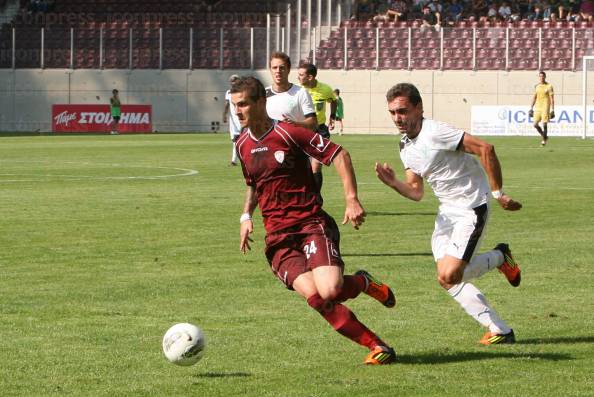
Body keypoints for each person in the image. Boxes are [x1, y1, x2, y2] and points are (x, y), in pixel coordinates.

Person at [232, 76, 396, 365]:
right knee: (318, 299)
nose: (238, 111)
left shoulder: (288, 133)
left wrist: (351, 199)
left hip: (310, 224)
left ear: (260, 102)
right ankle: (377, 346)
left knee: (331, 289)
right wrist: (246, 216)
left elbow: (339, 154)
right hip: (277, 238)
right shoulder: (243, 144)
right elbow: (254, 184)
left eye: (243, 104)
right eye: (234, 105)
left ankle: (362, 282)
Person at [375, 82, 523, 346]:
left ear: (419, 108)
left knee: (449, 275)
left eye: (403, 111)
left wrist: (499, 194)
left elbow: (485, 149)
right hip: (447, 214)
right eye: (393, 113)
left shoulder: (436, 132)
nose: (398, 118)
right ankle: (499, 329)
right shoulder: (405, 146)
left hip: (471, 208)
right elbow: (415, 191)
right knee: (446, 279)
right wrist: (393, 183)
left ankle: (500, 257)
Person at [297, 62, 338, 192]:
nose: (298, 77)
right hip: (301, 131)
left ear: (310, 77)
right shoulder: (297, 91)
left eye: (301, 75)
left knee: (316, 165)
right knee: (301, 167)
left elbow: (334, 100)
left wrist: (332, 116)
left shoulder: (325, 89)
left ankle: (316, 198)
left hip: (319, 130)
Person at [265, 51, 317, 131]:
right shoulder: (263, 94)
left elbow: (313, 123)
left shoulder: (301, 92)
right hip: (269, 143)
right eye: (274, 68)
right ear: (270, 70)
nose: (278, 71)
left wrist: (295, 124)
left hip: (293, 142)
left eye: (282, 68)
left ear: (288, 70)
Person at [529, 71, 555, 147]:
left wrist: (552, 109)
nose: (541, 78)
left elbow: (552, 98)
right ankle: (544, 136)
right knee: (535, 124)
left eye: (542, 76)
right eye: (540, 76)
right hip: (537, 107)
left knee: (544, 123)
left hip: (545, 107)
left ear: (545, 77)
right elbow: (534, 97)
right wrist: (531, 108)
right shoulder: (536, 86)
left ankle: (544, 140)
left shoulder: (549, 86)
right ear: (539, 77)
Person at [223, 74, 242, 165]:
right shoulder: (228, 92)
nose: (233, 82)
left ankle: (236, 160)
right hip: (233, 121)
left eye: (235, 80)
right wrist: (224, 115)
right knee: (235, 140)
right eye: (231, 81)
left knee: (241, 139)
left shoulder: (243, 92)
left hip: (242, 119)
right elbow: (226, 104)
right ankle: (234, 160)